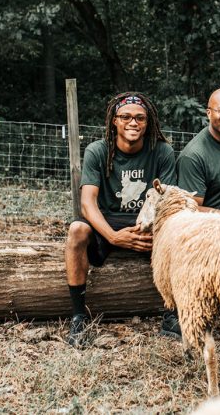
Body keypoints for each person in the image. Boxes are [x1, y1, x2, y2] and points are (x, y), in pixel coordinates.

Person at [64, 92, 178, 347]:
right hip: (107, 223)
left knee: (180, 231)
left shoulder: (161, 151)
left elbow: (168, 201)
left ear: (148, 123)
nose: (133, 123)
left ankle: (173, 314)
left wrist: (148, 230)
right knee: (76, 230)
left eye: (140, 118)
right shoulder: (98, 150)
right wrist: (114, 236)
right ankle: (79, 318)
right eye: (125, 117)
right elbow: (87, 203)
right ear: (114, 121)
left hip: (148, 223)